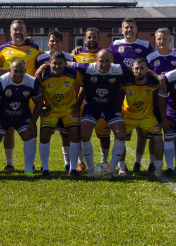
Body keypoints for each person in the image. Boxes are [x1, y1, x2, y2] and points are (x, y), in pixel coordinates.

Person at [73, 49, 146, 177]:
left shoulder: (119, 69)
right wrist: (44, 66)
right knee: (84, 135)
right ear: (96, 61)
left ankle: (111, 168)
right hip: (92, 107)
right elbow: (68, 63)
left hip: (110, 108)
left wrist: (157, 77)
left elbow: (137, 69)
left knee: (121, 134)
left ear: (111, 61)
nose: (105, 64)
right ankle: (91, 169)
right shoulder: (88, 68)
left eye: (108, 61)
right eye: (101, 61)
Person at [0, 20, 41, 171]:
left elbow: (45, 62)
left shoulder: (35, 48)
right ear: (10, 32)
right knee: (8, 130)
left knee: (30, 130)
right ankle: (10, 164)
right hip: (8, 96)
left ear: (26, 32)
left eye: (21, 29)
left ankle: (30, 165)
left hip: (29, 96)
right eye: (15, 29)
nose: (18, 32)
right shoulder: (2, 49)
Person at [109, 18, 154, 171]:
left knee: (142, 130)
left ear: (136, 29)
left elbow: (153, 63)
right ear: (122, 30)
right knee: (121, 130)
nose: (129, 30)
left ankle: (137, 162)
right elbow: (105, 59)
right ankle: (122, 165)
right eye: (126, 28)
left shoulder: (145, 45)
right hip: (121, 91)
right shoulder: (115, 45)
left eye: (131, 27)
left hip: (141, 92)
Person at [0, 60, 43, 178]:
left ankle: (28, 170)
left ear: (25, 71)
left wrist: (33, 122)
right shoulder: (0, 82)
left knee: (29, 135)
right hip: (2, 115)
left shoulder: (32, 82)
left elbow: (39, 103)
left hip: (22, 115)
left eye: (21, 71)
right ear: (9, 70)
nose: (18, 73)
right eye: (15, 71)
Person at [35, 49, 82, 176]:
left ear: (65, 64)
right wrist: (42, 106)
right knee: (44, 135)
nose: (57, 66)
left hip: (68, 110)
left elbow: (84, 86)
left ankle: (73, 168)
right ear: (49, 63)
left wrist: (78, 104)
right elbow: (36, 92)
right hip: (51, 111)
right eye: (55, 63)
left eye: (60, 63)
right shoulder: (42, 75)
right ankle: (45, 168)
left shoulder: (73, 73)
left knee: (74, 134)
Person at [71, 27, 110, 168]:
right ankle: (81, 161)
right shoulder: (76, 54)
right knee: (82, 132)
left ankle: (103, 161)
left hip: (102, 99)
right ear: (85, 39)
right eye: (89, 37)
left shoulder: (105, 54)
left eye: (94, 37)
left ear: (98, 39)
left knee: (103, 134)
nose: (92, 39)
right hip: (81, 99)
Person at [147, 28, 176, 172]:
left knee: (175, 133)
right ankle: (152, 162)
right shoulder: (150, 57)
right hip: (155, 100)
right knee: (154, 133)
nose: (162, 41)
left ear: (170, 39)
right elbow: (146, 71)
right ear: (156, 40)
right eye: (159, 39)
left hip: (174, 101)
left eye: (164, 38)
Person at [121, 58, 164, 176]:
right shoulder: (125, 82)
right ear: (132, 69)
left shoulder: (153, 82)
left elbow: (163, 81)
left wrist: (156, 76)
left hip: (147, 117)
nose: (139, 71)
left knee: (159, 138)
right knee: (119, 138)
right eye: (136, 68)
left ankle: (158, 167)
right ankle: (121, 167)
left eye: (142, 68)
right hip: (128, 117)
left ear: (146, 70)